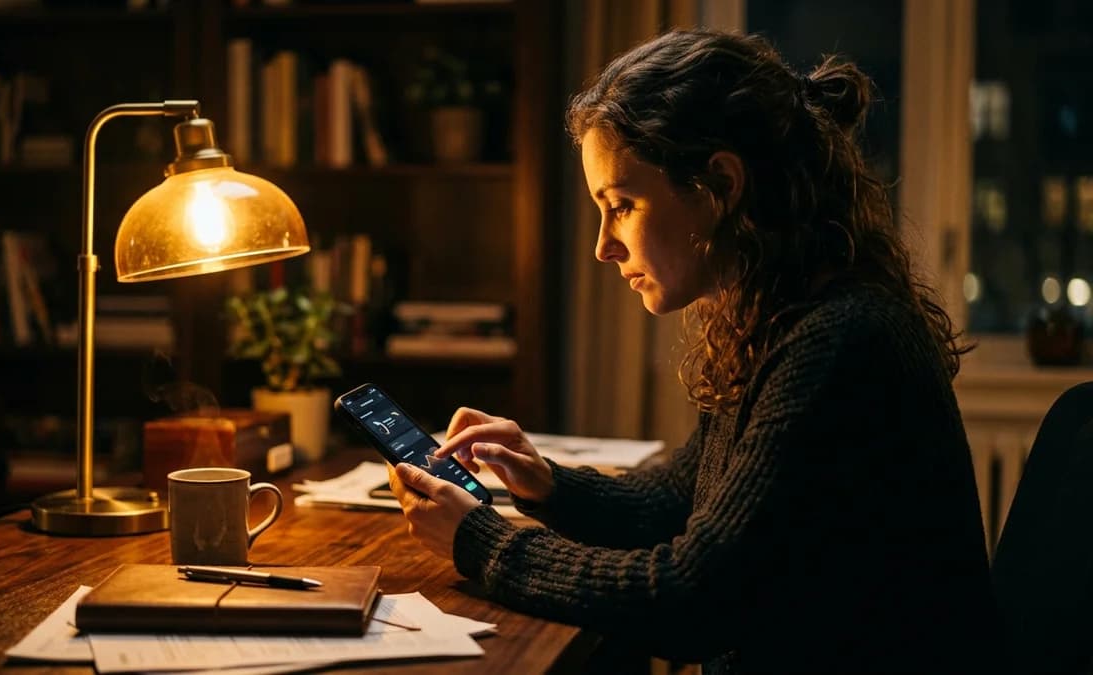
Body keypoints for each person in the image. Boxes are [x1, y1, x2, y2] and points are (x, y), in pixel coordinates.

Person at [385, 28, 999, 672]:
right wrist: (546, 484)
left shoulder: (837, 339)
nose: (603, 246)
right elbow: (682, 502)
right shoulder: (778, 313)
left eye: (621, 205)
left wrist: (481, 543)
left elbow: (692, 600)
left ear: (719, 185)